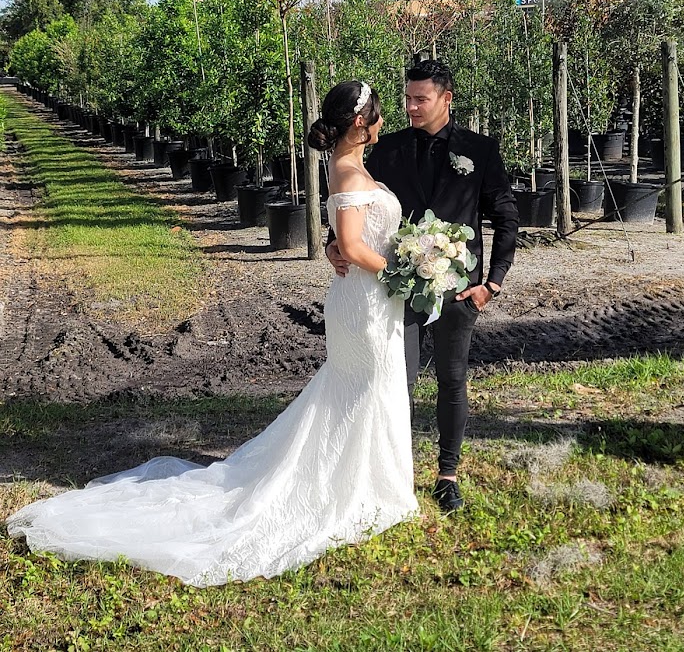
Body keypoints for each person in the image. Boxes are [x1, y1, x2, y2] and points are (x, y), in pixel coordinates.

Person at [7, 81, 418, 586]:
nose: (383, 121)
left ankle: (372, 481)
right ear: (360, 122)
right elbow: (353, 246)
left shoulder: (347, 166)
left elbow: (346, 237)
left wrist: (355, 251)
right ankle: (361, 488)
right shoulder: (348, 169)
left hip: (368, 299)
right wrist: (404, 272)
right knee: (364, 388)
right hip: (367, 300)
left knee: (361, 390)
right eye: (377, 114)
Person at [327, 60, 519, 513]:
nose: (411, 107)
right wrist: (334, 242)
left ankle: (447, 476)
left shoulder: (480, 150)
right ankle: (395, 475)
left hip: (458, 289)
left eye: (421, 99)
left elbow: (507, 217)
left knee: (453, 380)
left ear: (446, 99)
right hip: (396, 292)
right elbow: (352, 203)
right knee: (398, 381)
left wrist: (491, 284)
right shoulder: (385, 148)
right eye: (408, 98)